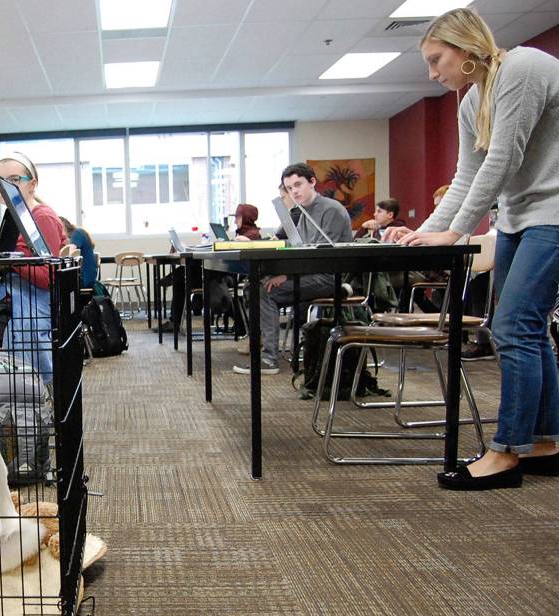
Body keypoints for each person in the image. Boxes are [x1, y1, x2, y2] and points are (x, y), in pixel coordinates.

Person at [383, 7, 559, 491]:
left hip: (554, 213)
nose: (433, 71)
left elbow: (505, 156)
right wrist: (428, 232)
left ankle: (506, 452)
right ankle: (546, 441)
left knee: (512, 326)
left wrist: (456, 232)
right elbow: (466, 175)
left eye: (437, 59)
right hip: (520, 217)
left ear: (465, 49)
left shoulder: (521, 68)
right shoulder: (470, 101)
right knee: (530, 328)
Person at [233, 163, 352, 375]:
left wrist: (286, 274)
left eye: (298, 184)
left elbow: (321, 256)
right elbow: (294, 245)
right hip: (308, 272)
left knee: (265, 291)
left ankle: (269, 359)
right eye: (289, 188)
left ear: (312, 182)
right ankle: (262, 349)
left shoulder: (330, 209)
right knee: (253, 286)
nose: (293, 191)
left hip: (327, 276)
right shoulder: (300, 212)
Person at [0, 151, 66, 388]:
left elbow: (47, 276)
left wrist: (10, 257)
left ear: (32, 184)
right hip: (20, 301)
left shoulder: (41, 217)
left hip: (35, 306)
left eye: (13, 180)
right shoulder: (15, 218)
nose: (5, 187)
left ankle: (34, 397)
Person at [60, 217, 98, 288]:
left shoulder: (77, 233)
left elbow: (71, 255)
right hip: (88, 277)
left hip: (85, 279)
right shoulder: (78, 232)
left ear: (62, 226)